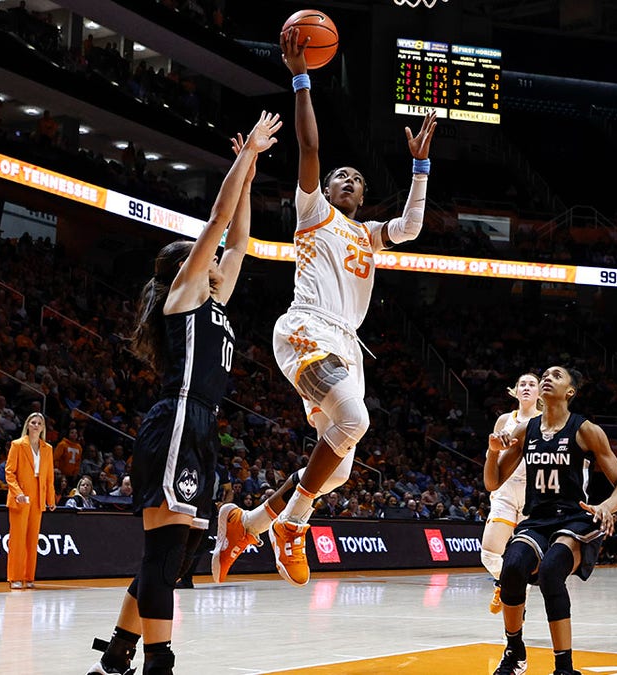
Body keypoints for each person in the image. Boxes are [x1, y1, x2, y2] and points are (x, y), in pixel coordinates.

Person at [210, 26, 439, 587]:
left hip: (346, 346)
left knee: (335, 469)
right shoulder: (313, 213)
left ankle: (248, 524)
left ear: (362, 197)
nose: (346, 180)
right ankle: (292, 526)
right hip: (307, 328)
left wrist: (419, 168)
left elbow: (410, 227)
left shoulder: (368, 234)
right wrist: (301, 78)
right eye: (341, 175)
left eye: (356, 180)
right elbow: (310, 148)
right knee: (356, 421)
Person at [86, 111, 280, 675]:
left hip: (201, 427)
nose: (222, 260)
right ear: (187, 271)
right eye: (211, 257)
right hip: (175, 422)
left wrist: (252, 171)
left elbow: (240, 238)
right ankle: (158, 662)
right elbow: (219, 222)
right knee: (165, 554)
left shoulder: (216, 300)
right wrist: (242, 160)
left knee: (177, 555)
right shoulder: (187, 295)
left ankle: (119, 650)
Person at [484, 366, 617, 675]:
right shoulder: (525, 430)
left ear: (570, 391)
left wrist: (606, 506)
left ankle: (564, 668)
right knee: (511, 568)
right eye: (544, 375)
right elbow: (493, 482)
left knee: (551, 571)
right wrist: (491, 452)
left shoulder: (585, 429)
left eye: (556, 375)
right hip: (537, 519)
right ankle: (515, 651)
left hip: (575, 519)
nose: (546, 378)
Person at [481, 373, 542, 613]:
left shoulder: (547, 421)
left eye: (532, 384)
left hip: (533, 492)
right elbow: (491, 459)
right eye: (522, 384)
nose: (526, 388)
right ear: (515, 391)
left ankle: (513, 589)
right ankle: (508, 583)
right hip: (506, 489)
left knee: (527, 559)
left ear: (539, 393)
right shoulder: (504, 420)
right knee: (488, 554)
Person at [4, 412, 55, 590]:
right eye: (32, 422)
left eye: (39, 423)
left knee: (32, 539)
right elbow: (9, 472)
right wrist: (17, 492)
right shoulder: (17, 445)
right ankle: (15, 577)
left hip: (38, 494)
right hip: (21, 494)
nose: (35, 425)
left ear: (43, 427)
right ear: (27, 425)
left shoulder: (47, 448)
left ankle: (29, 576)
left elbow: (49, 476)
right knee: (17, 538)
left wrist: (50, 498)